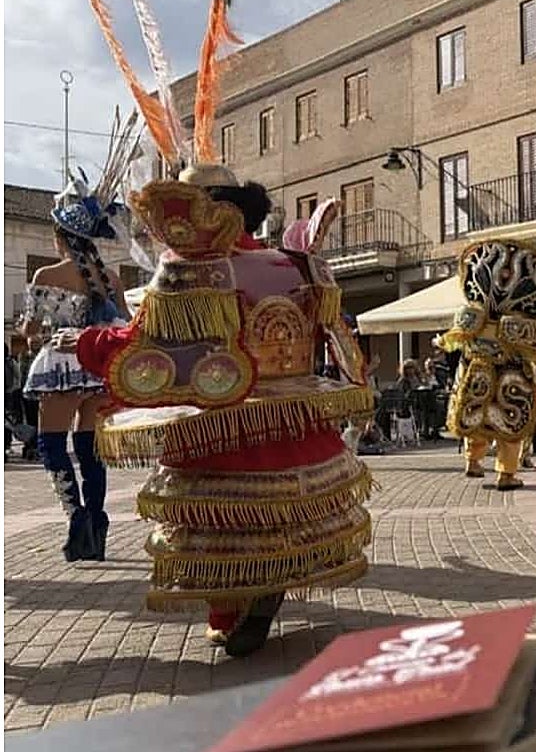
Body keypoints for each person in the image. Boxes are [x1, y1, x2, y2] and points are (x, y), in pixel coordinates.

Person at [64, 164, 375, 656]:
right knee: (283, 515)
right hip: (294, 413)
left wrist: (85, 344)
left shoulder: (191, 268)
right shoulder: (298, 263)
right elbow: (331, 340)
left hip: (219, 418)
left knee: (218, 521)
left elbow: (140, 341)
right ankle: (261, 594)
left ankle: (229, 612)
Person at [21, 170, 132, 563]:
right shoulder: (113, 279)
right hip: (97, 365)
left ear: (60, 237)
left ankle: (77, 520)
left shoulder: (45, 275)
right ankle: (98, 526)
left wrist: (29, 332)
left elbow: (32, 330)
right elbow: (124, 323)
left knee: (52, 446)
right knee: (90, 450)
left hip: (60, 365)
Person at [438, 239, 536, 490]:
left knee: (477, 416)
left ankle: (473, 462)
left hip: (478, 369)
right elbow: (532, 352)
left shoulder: (470, 314)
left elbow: (451, 340)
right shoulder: (521, 322)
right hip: (510, 373)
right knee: (509, 423)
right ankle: (506, 474)